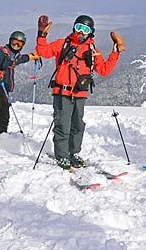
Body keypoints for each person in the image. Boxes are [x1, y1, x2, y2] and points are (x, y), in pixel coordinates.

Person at [35, 14, 123, 169]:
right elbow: (44, 52)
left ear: (91, 32)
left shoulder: (92, 50)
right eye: (78, 28)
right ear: (74, 28)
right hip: (62, 92)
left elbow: (103, 69)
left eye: (85, 29)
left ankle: (72, 153)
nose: (81, 32)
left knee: (77, 125)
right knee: (63, 124)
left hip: (80, 93)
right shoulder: (63, 44)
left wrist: (115, 52)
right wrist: (41, 35)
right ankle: (62, 155)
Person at [0, 31, 39, 135]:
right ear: (10, 41)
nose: (16, 46)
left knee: (4, 116)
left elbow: (18, 60)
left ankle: (2, 136)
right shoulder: (1, 52)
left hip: (4, 90)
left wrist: (30, 56)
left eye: (19, 44)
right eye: (14, 42)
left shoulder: (14, 55)